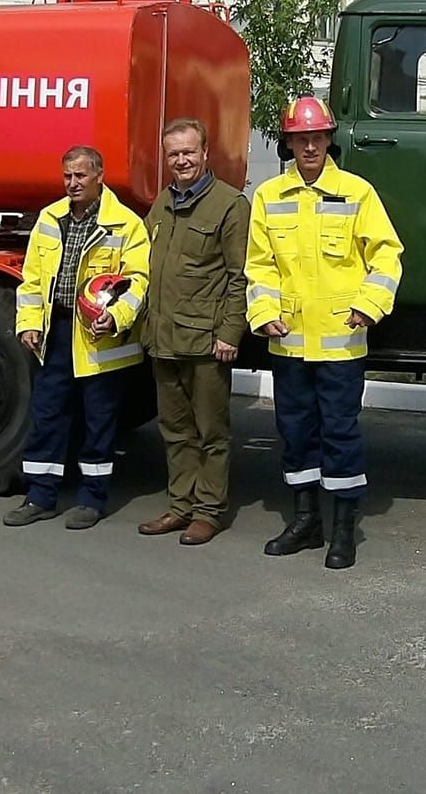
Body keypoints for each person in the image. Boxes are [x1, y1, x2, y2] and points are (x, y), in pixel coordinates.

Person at [245, 95, 403, 570]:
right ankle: (306, 522)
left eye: (317, 137)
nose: (310, 146)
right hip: (289, 342)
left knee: (339, 434)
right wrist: (264, 313)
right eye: (301, 138)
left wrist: (369, 307)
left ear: (329, 139)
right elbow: (259, 266)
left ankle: (342, 531)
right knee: (295, 434)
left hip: (340, 343)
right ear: (289, 143)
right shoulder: (269, 197)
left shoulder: (357, 192)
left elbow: (386, 254)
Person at [7, 145, 151, 530]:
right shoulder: (50, 219)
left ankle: (92, 499)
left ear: (99, 176)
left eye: (81, 176)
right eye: (68, 176)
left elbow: (139, 282)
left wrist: (116, 317)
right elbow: (33, 279)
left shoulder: (126, 224)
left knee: (98, 420)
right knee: (48, 414)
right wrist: (29, 323)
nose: (73, 183)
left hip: (100, 337)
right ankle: (40, 496)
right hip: (56, 330)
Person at [135, 117, 250, 546]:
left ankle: (208, 511)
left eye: (188, 152)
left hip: (206, 342)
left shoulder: (229, 205)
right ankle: (180, 506)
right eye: (173, 154)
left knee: (211, 433)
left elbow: (241, 276)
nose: (181, 160)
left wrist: (230, 333)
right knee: (175, 430)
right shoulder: (162, 204)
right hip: (164, 340)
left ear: (205, 154)